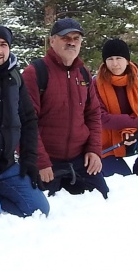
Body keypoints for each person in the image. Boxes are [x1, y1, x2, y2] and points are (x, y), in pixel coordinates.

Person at [0, 24, 50, 223]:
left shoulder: (14, 77)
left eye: (3, 45)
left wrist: (30, 160)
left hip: (7, 166)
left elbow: (28, 120)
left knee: (39, 211)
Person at [22, 17, 108, 197]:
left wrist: (94, 150)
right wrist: (41, 161)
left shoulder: (83, 73)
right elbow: (25, 123)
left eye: (76, 38)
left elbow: (93, 115)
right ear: (52, 41)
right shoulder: (36, 73)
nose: (71, 42)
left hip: (80, 159)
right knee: (45, 212)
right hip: (48, 161)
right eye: (65, 37)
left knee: (102, 199)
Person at [94, 38, 138, 176]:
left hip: (131, 135)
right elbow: (101, 118)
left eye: (119, 58)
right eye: (110, 59)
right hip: (106, 145)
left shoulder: (135, 81)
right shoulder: (95, 84)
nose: (115, 64)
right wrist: (135, 123)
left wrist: (132, 130)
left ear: (127, 60)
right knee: (124, 179)